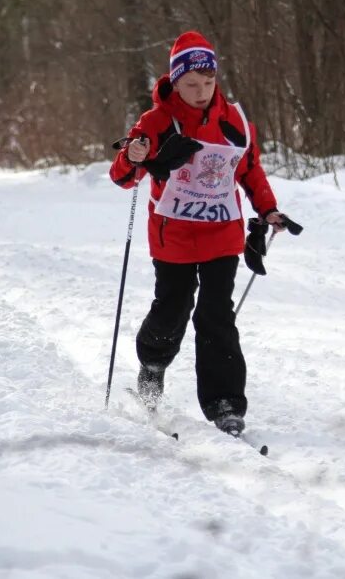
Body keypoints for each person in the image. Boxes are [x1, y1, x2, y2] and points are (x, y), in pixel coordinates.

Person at [109, 30, 288, 436]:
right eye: (191, 84)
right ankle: (152, 363)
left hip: (221, 233)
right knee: (172, 310)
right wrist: (133, 156)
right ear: (175, 80)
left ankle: (224, 402)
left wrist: (268, 209)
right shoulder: (156, 121)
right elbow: (123, 177)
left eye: (208, 83)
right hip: (173, 235)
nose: (201, 91)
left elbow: (249, 169)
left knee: (216, 315)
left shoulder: (235, 121)